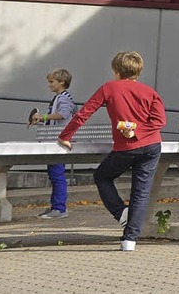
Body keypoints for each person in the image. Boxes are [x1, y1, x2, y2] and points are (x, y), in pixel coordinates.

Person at [58, 51, 166, 252]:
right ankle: (130, 240)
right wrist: (139, 130)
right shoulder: (149, 92)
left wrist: (66, 135)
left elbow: (84, 113)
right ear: (139, 71)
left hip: (126, 147)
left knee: (102, 176)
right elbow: (160, 121)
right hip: (151, 146)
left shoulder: (109, 88)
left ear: (116, 70)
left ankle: (121, 213)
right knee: (141, 192)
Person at [30, 68, 78, 219]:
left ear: (61, 82)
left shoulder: (63, 98)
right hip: (56, 141)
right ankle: (55, 206)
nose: (49, 85)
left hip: (58, 143)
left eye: (51, 82)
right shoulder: (61, 97)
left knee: (57, 175)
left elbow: (63, 114)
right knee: (54, 173)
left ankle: (59, 208)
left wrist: (43, 116)